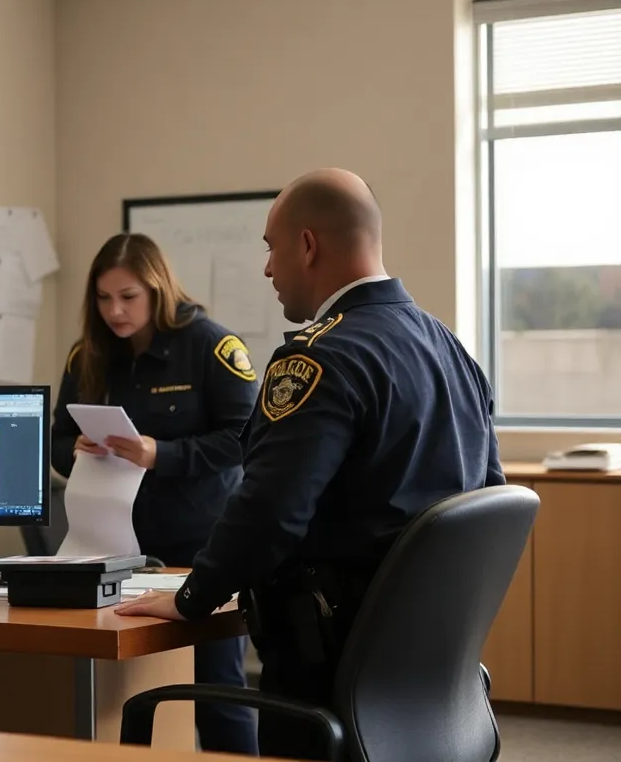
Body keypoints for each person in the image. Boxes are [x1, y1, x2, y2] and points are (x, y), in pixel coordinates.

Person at [114, 168, 505, 760]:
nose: (268, 269)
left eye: (271, 248)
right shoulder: (449, 347)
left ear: (308, 245)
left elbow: (270, 511)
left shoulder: (321, 358)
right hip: (428, 679)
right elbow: (489, 496)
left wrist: (193, 596)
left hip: (330, 678)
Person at [51, 232, 261, 755]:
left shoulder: (212, 345)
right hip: (113, 546)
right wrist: (74, 450)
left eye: (128, 297)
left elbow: (243, 439)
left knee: (218, 692)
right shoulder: (88, 355)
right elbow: (55, 441)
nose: (115, 311)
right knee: (122, 689)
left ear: (157, 289)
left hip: (198, 549)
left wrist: (160, 454)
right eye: (104, 298)